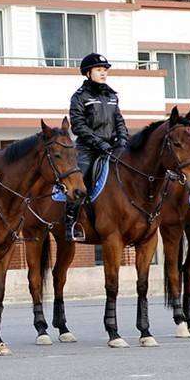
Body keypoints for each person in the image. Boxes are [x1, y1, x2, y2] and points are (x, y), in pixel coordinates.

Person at [68, 53, 129, 242]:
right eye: (99, 70)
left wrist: (122, 139)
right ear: (88, 73)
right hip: (88, 150)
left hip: (112, 148)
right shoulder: (79, 97)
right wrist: (99, 143)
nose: (103, 73)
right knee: (79, 182)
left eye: (105, 70)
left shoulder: (112, 96)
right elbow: (78, 125)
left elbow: (119, 121)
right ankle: (71, 223)